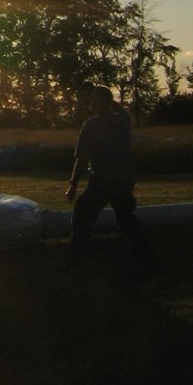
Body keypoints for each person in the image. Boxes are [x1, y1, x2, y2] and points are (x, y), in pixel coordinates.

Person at [66, 84, 153, 261]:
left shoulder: (90, 126)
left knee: (82, 215)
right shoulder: (123, 121)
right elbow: (120, 110)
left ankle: (77, 257)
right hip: (124, 179)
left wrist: (73, 185)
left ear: (96, 103)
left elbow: (81, 159)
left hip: (102, 181)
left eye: (93, 101)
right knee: (126, 217)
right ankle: (145, 253)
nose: (90, 104)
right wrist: (105, 97)